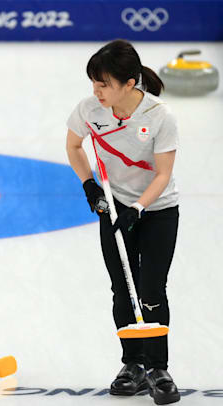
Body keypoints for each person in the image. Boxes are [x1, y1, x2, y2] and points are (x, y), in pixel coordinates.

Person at [65, 39, 180, 405]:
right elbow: (73, 146)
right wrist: (89, 186)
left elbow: (163, 174)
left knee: (151, 290)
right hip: (113, 208)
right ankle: (132, 364)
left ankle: (158, 367)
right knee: (122, 289)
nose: (96, 92)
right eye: (94, 84)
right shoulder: (89, 110)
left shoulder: (159, 116)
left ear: (129, 84)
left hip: (158, 210)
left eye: (104, 85)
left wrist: (139, 208)